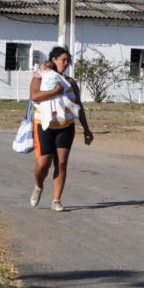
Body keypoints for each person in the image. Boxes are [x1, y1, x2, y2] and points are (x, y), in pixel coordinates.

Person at [28, 47, 93, 212]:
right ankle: (38, 185)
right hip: (44, 125)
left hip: (65, 126)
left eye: (67, 60)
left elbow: (78, 106)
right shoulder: (39, 77)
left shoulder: (70, 82)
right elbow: (35, 96)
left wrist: (86, 129)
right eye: (62, 59)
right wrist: (55, 91)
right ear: (53, 59)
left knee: (62, 163)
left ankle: (56, 200)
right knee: (43, 164)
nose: (65, 63)